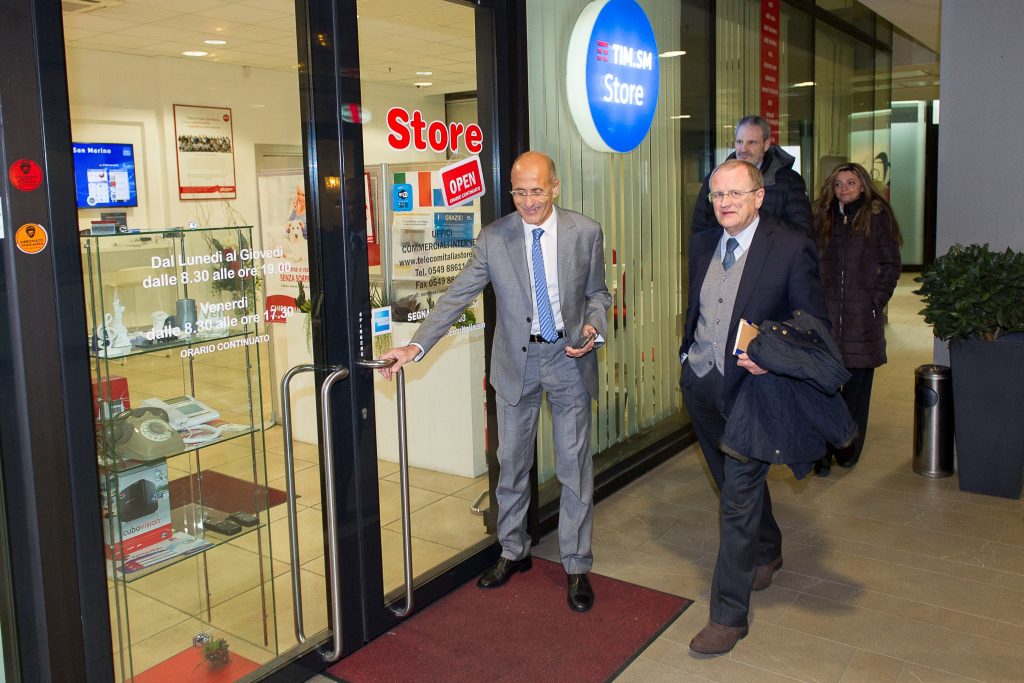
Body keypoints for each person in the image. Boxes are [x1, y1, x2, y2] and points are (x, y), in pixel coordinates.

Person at [379, 151, 611, 613]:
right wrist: (414, 346)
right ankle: (513, 550)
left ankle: (576, 563)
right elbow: (457, 295)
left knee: (573, 467)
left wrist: (593, 326)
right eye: (519, 192)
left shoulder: (585, 232)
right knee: (512, 462)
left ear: (555, 187)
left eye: (537, 191)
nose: (528, 201)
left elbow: (597, 293)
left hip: (567, 359)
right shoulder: (494, 238)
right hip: (514, 363)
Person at [679, 159, 828, 654]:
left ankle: (728, 616)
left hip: (755, 392)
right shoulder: (703, 244)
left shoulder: (789, 246)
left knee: (737, 500)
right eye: (717, 194)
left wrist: (772, 354)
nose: (724, 203)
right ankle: (768, 549)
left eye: (735, 194)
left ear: (759, 197)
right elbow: (699, 311)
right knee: (730, 482)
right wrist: (687, 359)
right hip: (702, 386)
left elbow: (813, 324)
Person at [811, 162, 902, 476]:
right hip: (825, 321)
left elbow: (891, 265)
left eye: (850, 183)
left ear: (863, 184)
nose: (844, 189)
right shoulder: (822, 218)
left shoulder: (877, 218)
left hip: (861, 322)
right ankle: (822, 454)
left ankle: (847, 451)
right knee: (823, 391)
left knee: (856, 394)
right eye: (838, 184)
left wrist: (873, 302)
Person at [691, 115, 812, 237]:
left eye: (751, 142)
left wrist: (755, 220)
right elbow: (699, 230)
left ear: (766, 144)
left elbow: (803, 233)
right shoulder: (715, 179)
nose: (743, 149)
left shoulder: (790, 182)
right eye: (739, 142)